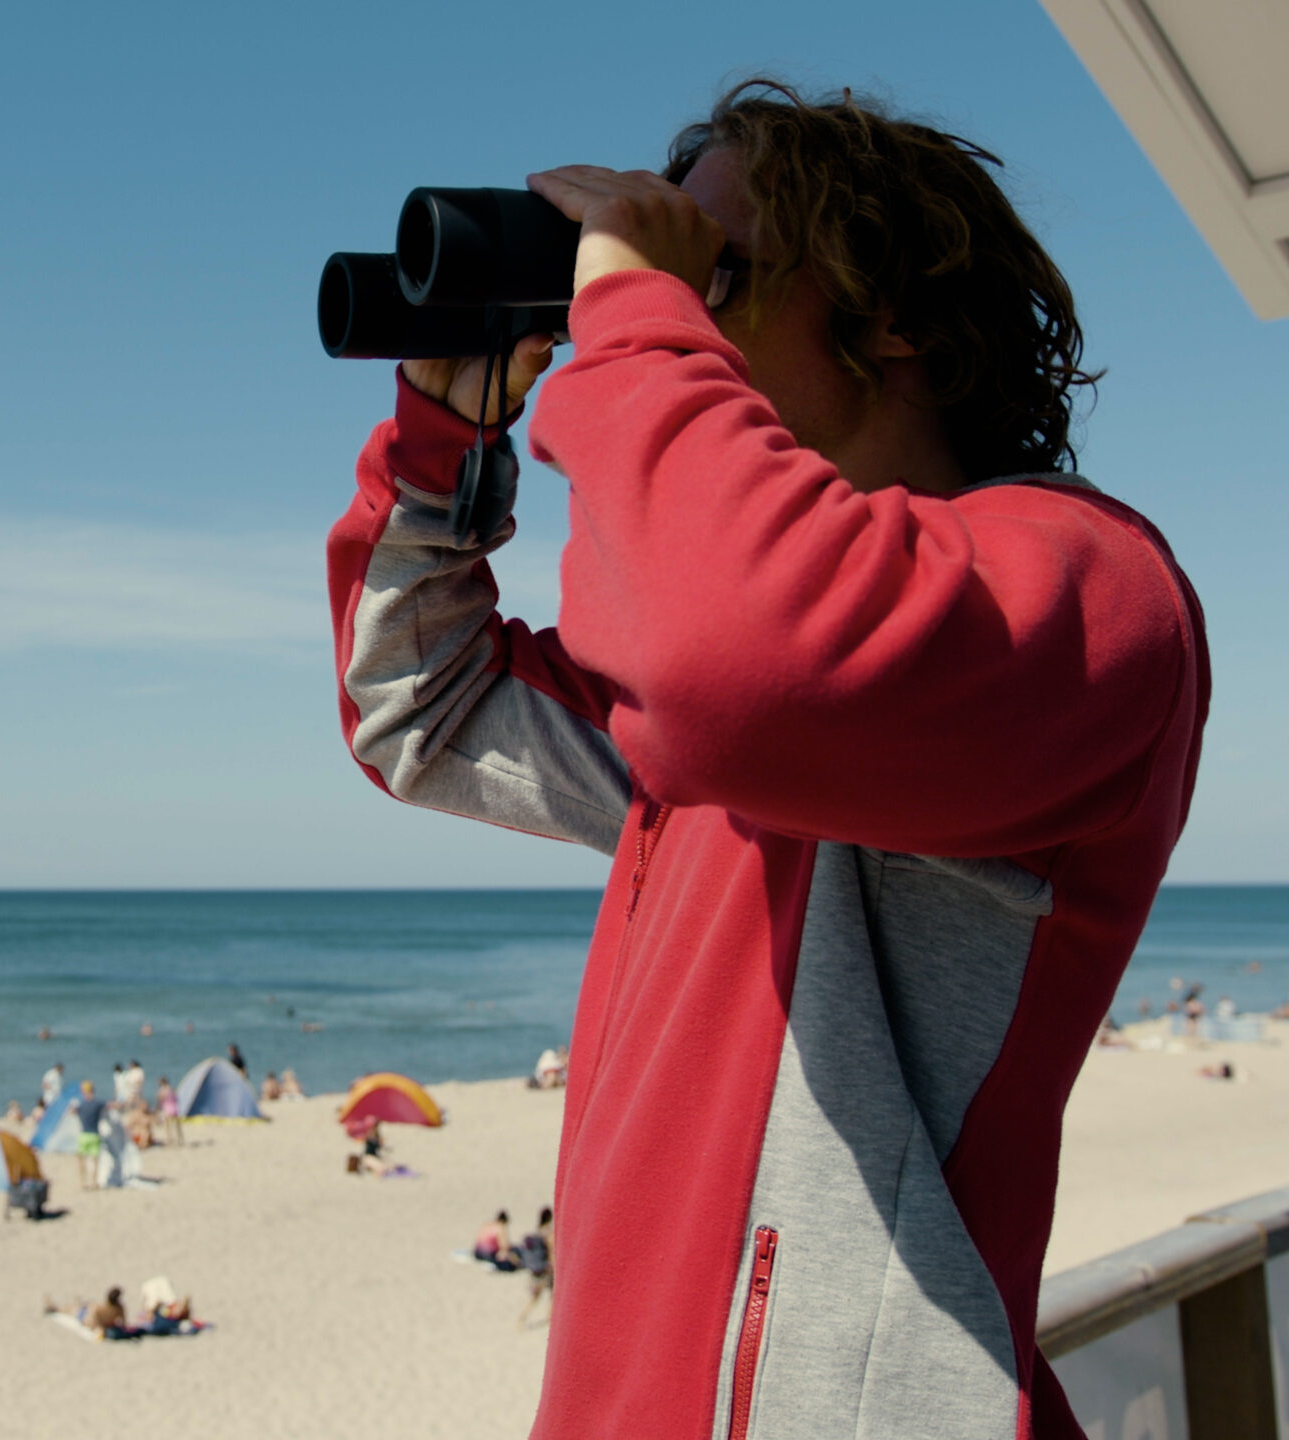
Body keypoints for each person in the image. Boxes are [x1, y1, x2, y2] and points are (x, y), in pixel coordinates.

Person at [323, 79, 1208, 1435]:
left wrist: (630, 324)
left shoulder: (1082, 589)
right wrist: (448, 440)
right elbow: (424, 711)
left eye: (713, 273)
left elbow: (742, 653)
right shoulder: (731, 715)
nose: (667, 303)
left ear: (897, 316)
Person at [517, 1208, 555, 1329]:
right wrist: (553, 1265)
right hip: (545, 1269)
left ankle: (521, 1319)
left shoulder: (537, 1232)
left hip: (535, 1270)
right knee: (552, 1294)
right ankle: (550, 1320)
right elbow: (551, 1251)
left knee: (534, 1298)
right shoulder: (548, 1232)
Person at [72, 1081, 107, 1189]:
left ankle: (83, 1182)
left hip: (84, 1135)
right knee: (94, 1161)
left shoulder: (81, 1104)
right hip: (95, 1135)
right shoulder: (98, 1103)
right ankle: (94, 1182)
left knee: (81, 1160)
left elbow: (72, 1112)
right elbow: (110, 1106)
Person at [154, 1076, 182, 1147]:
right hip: (175, 1109)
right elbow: (176, 1099)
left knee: (167, 1127)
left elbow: (159, 1101)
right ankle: (180, 1139)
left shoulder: (162, 1091)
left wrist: (156, 1110)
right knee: (177, 1126)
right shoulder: (171, 1089)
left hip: (167, 1110)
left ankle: (170, 1140)